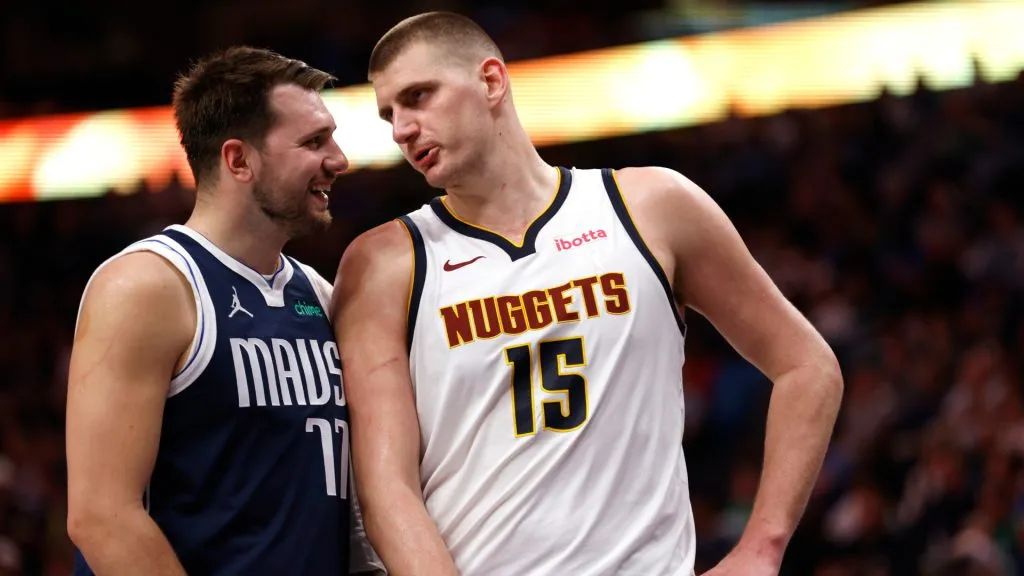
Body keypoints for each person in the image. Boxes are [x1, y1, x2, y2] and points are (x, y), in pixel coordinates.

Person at [332, 11, 844, 576]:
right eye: (390, 114)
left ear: (491, 81)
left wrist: (762, 548)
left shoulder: (650, 208)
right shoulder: (383, 263)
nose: (402, 128)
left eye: (419, 97)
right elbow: (386, 489)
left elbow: (808, 366)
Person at [66, 46, 382, 575]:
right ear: (239, 160)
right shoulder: (148, 286)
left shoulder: (321, 295)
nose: (339, 159)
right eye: (313, 141)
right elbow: (102, 517)